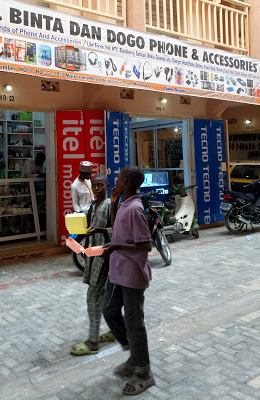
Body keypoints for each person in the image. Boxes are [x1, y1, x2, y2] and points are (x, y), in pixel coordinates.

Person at [102, 166, 155, 396]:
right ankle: (133, 355)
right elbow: (117, 230)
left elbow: (145, 245)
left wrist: (116, 246)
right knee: (109, 310)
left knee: (134, 322)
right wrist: (113, 205)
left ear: (125, 181)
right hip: (117, 271)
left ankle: (144, 372)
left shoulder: (135, 209)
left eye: (117, 179)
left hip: (132, 274)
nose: (114, 181)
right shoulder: (124, 203)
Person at [70, 174, 115, 356]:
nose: (96, 189)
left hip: (104, 258)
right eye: (94, 186)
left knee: (93, 298)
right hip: (93, 255)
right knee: (107, 297)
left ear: (107, 186)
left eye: (100, 186)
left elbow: (117, 231)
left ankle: (93, 340)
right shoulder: (92, 206)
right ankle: (116, 330)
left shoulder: (111, 206)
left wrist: (101, 230)